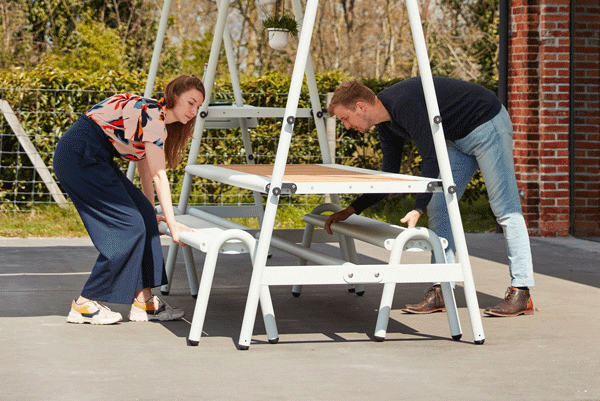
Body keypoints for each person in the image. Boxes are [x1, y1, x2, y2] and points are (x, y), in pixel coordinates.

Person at [324, 77, 535, 317]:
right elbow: (388, 177)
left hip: (486, 124)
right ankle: (442, 289)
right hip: (457, 140)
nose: (346, 126)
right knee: (440, 206)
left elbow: (430, 157)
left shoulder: (403, 104)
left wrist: (418, 207)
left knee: (505, 208)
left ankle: (521, 291)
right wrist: (351, 210)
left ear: (360, 107)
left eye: (345, 118)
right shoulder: (387, 124)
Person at [53, 75, 205, 324]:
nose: (194, 111)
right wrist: (172, 223)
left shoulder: (154, 120)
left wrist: (150, 211)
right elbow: (159, 176)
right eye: (190, 102)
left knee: (144, 218)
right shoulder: (153, 116)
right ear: (173, 96)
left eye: (198, 106)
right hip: (80, 155)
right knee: (129, 227)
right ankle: (84, 304)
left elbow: (146, 169)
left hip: (95, 157)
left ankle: (144, 301)